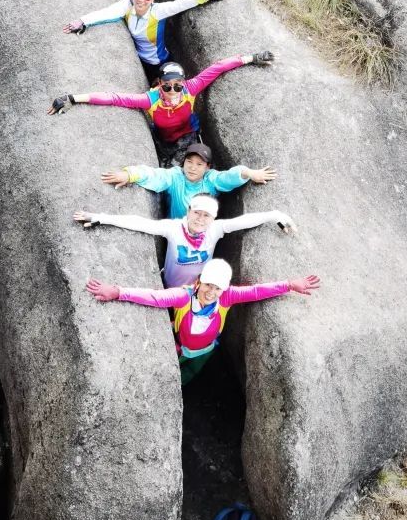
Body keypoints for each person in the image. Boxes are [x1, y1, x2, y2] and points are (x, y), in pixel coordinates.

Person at [86, 258, 321, 385]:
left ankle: (182, 388)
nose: (212, 291)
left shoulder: (228, 297)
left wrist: (290, 284)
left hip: (205, 352)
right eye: (208, 285)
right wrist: (117, 292)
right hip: (178, 348)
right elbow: (155, 297)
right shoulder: (183, 295)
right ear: (199, 282)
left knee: (189, 376)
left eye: (217, 288)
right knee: (172, 374)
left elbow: (257, 291)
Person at [48, 53, 275, 165]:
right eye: (168, 85)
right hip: (164, 143)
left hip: (189, 138)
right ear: (159, 84)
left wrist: (251, 58)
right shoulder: (151, 100)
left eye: (178, 84)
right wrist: (74, 98)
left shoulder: (190, 89)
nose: (174, 90)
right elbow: (114, 98)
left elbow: (216, 68)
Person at [74, 193, 296, 287]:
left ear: (213, 217)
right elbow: (139, 222)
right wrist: (101, 218)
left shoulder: (216, 229)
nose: (200, 219)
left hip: (197, 291)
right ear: (189, 211)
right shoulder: (173, 228)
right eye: (197, 213)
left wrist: (276, 215)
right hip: (169, 286)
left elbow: (244, 220)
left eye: (206, 215)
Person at [62, 0, 227, 72]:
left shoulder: (158, 11)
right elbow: (106, 12)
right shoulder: (126, 6)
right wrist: (82, 21)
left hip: (160, 62)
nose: (140, 0)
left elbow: (183, 3)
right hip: (139, 61)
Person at [101, 142, 276, 219]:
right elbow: (154, 175)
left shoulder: (211, 179)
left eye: (199, 164)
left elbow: (230, 175)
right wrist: (129, 175)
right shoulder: (176, 176)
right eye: (189, 162)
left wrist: (250, 173)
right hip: (175, 231)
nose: (192, 167)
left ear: (207, 167)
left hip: (203, 232)